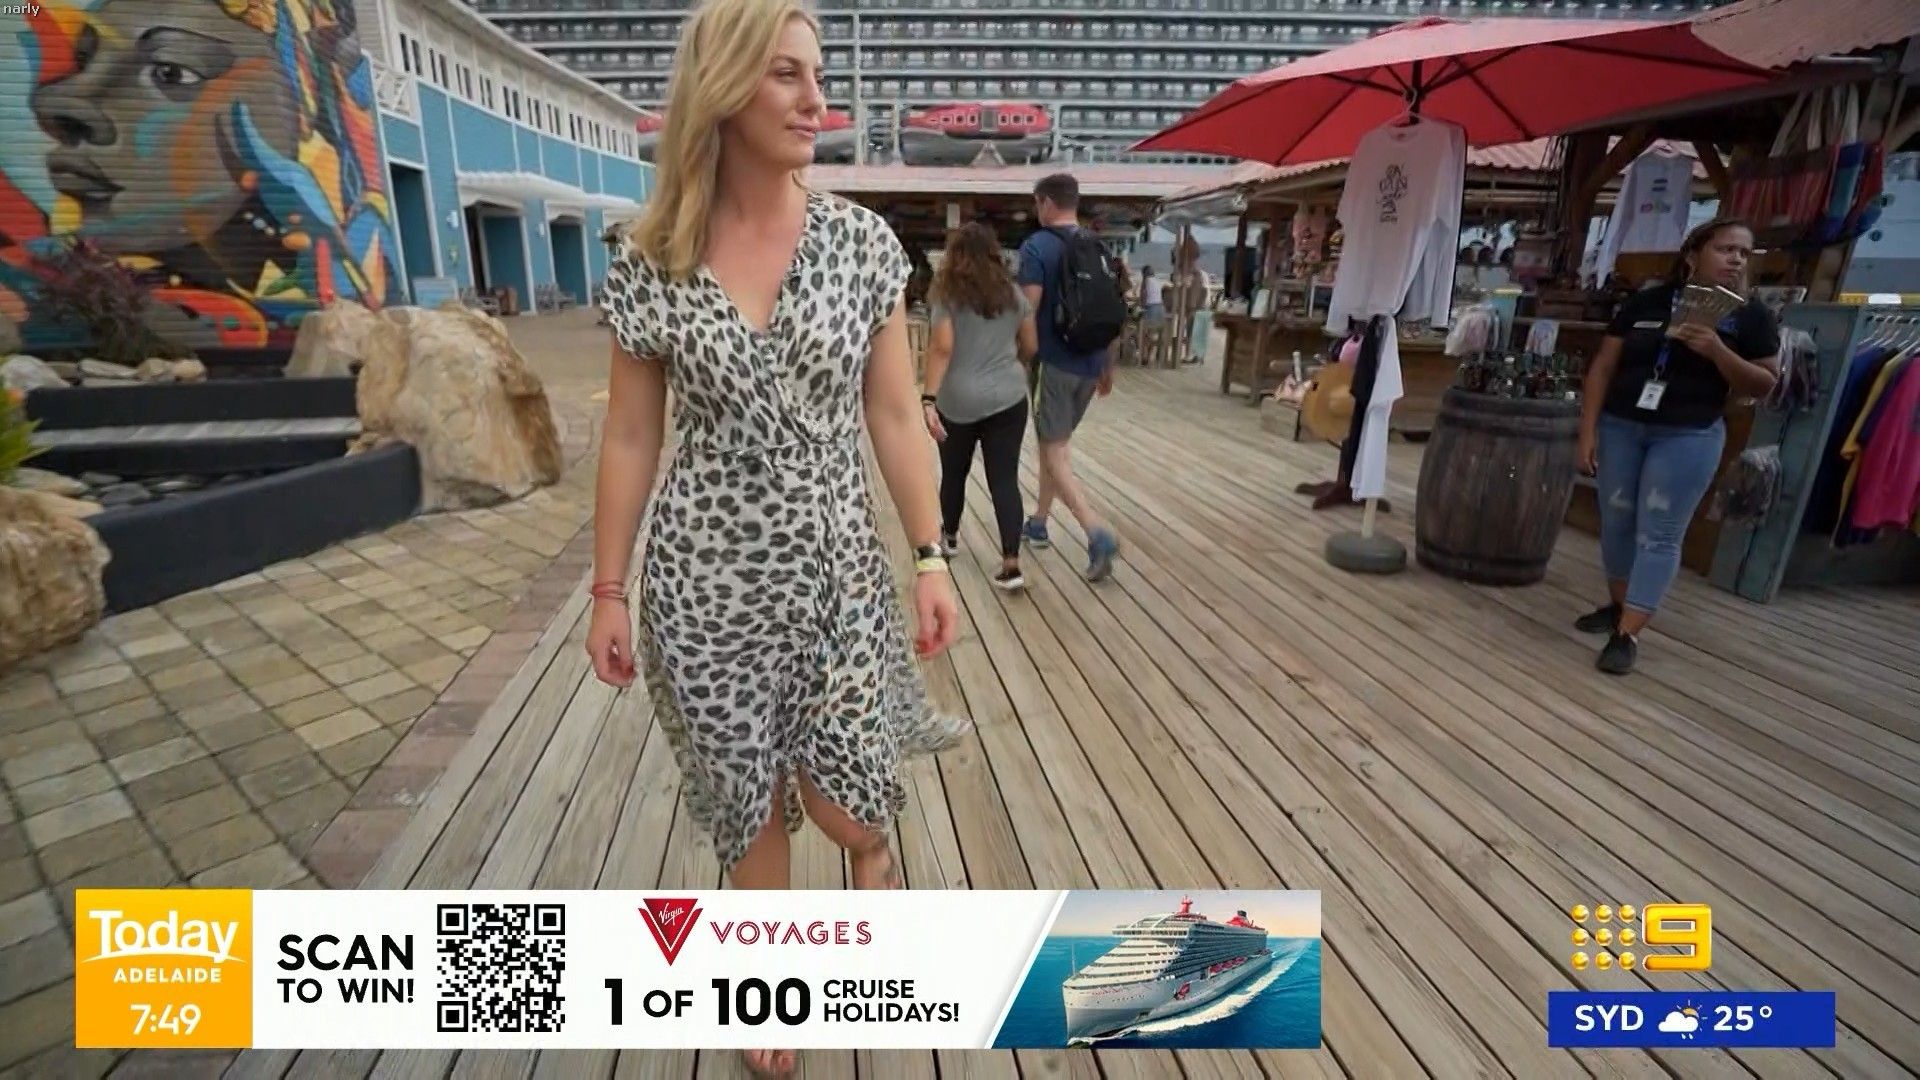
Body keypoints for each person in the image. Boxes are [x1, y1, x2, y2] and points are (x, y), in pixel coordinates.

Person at [588, 5, 966, 1071]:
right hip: (702, 595)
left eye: (819, 76)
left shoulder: (861, 246)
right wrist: (608, 589)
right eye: (788, 76)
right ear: (723, 87)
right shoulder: (653, 255)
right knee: (747, 804)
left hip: (836, 582)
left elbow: (895, 415)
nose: (816, 101)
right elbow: (630, 434)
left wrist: (930, 554)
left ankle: (873, 860)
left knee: (846, 807)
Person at [1575, 217, 1779, 674]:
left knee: (1660, 531)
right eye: (1725, 249)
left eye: (1744, 253)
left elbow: (1765, 383)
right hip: (1623, 425)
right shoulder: (1647, 302)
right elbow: (1603, 368)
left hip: (1688, 432)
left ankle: (1628, 633)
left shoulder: (1751, 316)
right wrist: (1587, 432)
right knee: (1617, 520)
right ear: (1692, 255)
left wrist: (1718, 351)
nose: (1736, 260)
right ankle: (1620, 605)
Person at [1017, 173, 1122, 580]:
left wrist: (1024, 357)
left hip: (1054, 363)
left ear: (1045, 202)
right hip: (1091, 364)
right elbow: (1113, 310)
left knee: (1054, 451)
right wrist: (1107, 366)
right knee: (1055, 444)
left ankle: (1095, 531)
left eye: (1036, 203)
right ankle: (1039, 521)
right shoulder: (1098, 247)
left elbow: (1028, 311)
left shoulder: (1036, 247)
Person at [922, 222, 1037, 592]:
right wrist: (1009, 366)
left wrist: (928, 398)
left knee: (954, 472)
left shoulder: (947, 295)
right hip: (1009, 397)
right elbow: (1031, 346)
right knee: (1004, 478)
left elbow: (942, 347)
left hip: (958, 398)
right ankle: (1011, 563)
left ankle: (950, 537)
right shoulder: (1013, 294)